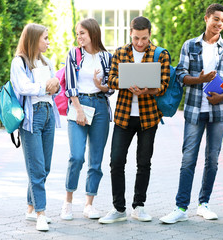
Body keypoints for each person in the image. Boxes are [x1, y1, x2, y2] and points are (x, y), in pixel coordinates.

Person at [160, 3, 223, 224]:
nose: (219, 24)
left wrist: (222, 96)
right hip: (195, 110)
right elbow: (181, 75)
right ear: (206, 19)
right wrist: (200, 80)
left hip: (219, 111)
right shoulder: (190, 45)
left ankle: (204, 204)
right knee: (188, 159)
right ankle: (180, 207)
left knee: (212, 160)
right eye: (216, 19)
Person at [98, 16, 170, 224]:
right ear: (131, 33)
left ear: (150, 34)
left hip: (149, 117)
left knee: (144, 163)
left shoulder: (161, 54)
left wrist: (148, 89)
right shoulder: (120, 53)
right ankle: (118, 209)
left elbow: (164, 84)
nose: (140, 43)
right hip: (123, 115)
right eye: (137, 38)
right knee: (116, 162)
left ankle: (139, 206)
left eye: (144, 38)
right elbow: (111, 79)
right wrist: (126, 83)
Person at [60, 18, 114, 220]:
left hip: (100, 106)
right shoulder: (73, 54)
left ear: (92, 33)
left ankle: (89, 204)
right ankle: (68, 202)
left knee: (96, 160)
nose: (79, 37)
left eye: (82, 33)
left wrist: (99, 85)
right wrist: (79, 110)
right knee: (76, 157)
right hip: (78, 105)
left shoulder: (107, 57)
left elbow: (111, 88)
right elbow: (70, 86)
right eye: (77, 33)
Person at [10, 23, 61, 231]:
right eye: (45, 38)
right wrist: (45, 86)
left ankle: (31, 208)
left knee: (44, 167)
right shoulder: (19, 62)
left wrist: (55, 84)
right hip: (32, 117)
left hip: (48, 114)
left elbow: (55, 87)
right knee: (37, 168)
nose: (48, 42)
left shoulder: (47, 61)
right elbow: (22, 87)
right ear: (33, 39)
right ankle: (41, 212)